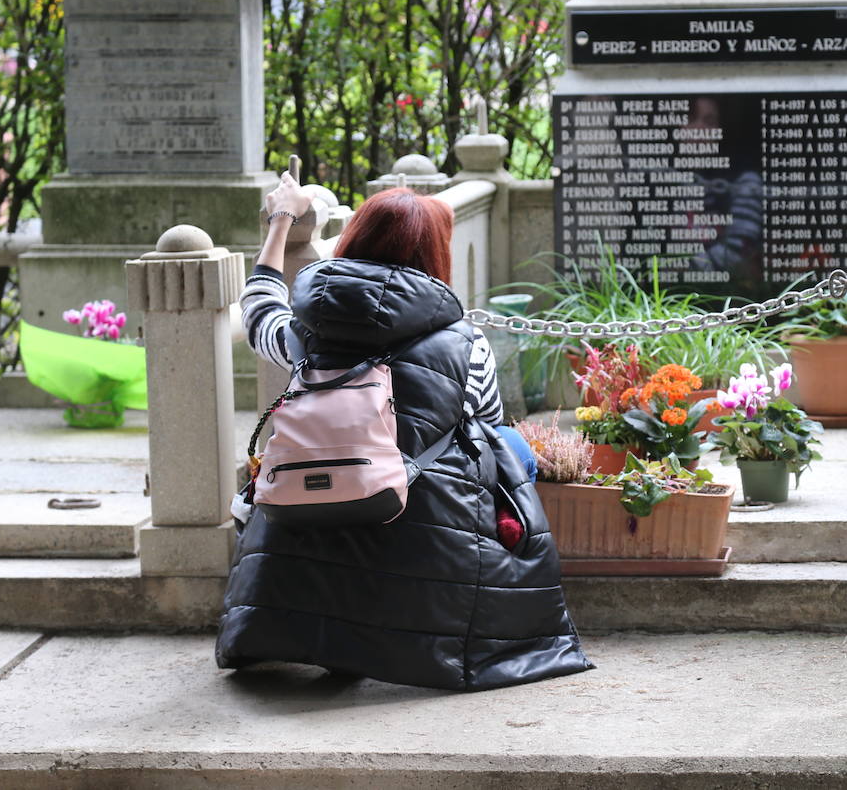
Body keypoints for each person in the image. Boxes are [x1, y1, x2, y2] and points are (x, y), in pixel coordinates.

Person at [215, 172, 592, 691]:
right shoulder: (466, 343)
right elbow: (486, 429)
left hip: (303, 521)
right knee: (512, 449)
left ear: (356, 239)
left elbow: (258, 312)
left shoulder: (311, 328)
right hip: (423, 541)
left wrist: (282, 218)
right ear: (436, 254)